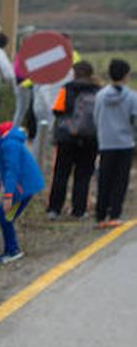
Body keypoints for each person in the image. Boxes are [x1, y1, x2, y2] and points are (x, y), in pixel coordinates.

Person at [0, 116, 43, 263]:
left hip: (23, 187)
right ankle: (9, 249)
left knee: (4, 216)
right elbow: (1, 169)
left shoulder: (8, 145)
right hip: (21, 186)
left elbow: (12, 171)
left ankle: (13, 250)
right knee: (5, 216)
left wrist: (8, 196)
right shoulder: (0, 143)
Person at [47, 60, 100, 219]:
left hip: (67, 136)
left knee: (61, 173)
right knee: (83, 174)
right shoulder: (98, 91)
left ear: (75, 73)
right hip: (91, 138)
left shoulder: (67, 88)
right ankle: (79, 210)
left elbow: (56, 110)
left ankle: (54, 209)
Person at [94, 58, 137, 227]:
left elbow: (96, 118)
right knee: (120, 180)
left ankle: (100, 216)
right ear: (126, 75)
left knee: (104, 179)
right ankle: (115, 215)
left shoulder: (100, 95)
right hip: (125, 143)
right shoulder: (132, 97)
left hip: (105, 142)